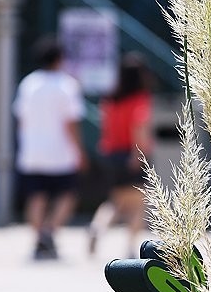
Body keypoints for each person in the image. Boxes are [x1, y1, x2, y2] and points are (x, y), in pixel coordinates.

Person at [13, 38, 86, 260]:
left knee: (36, 197)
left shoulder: (28, 83)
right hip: (61, 152)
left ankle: (38, 239)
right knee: (68, 194)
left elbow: (21, 118)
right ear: (59, 59)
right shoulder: (67, 85)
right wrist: (80, 151)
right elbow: (71, 122)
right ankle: (49, 231)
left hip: (33, 151)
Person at [88, 54, 154, 258]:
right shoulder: (140, 99)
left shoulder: (110, 100)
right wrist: (138, 155)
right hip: (131, 154)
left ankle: (97, 227)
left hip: (111, 154)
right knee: (139, 204)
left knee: (115, 202)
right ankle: (130, 247)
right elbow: (139, 128)